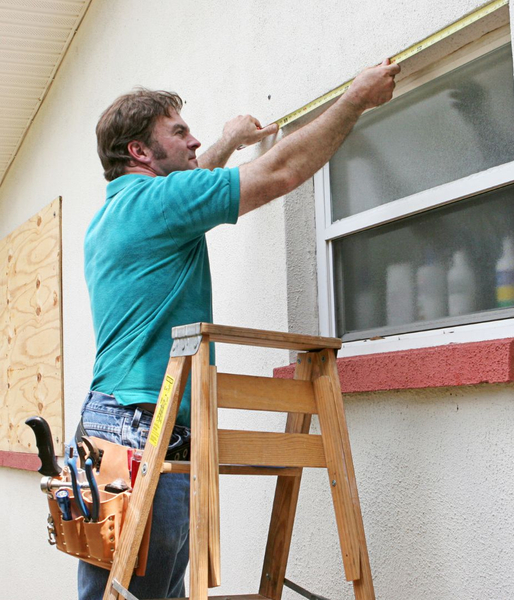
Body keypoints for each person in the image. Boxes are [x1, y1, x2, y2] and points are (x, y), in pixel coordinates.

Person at [77, 58, 399, 600]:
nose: (193, 140)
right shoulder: (159, 202)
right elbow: (279, 173)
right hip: (144, 429)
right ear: (139, 152)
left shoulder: (113, 213)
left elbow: (193, 184)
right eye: (178, 132)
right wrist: (355, 100)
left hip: (110, 426)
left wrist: (227, 140)